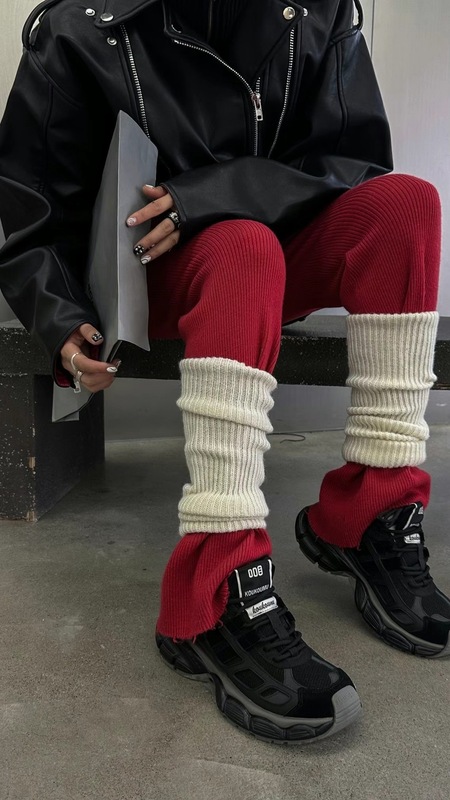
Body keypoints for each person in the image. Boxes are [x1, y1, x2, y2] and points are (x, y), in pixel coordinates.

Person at [0, 0, 449, 744]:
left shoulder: (321, 11)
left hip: (272, 243)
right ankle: (215, 586)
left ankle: (370, 514)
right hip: (154, 274)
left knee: (406, 206)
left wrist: (211, 195)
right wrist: (60, 319)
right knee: (243, 246)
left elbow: (355, 168)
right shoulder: (83, 28)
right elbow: (31, 209)